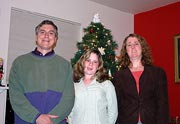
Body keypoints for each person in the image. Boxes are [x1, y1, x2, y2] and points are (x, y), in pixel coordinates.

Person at [9, 20, 75, 124]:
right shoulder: (19, 63)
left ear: (56, 39)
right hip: (25, 121)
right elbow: (16, 96)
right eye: (42, 32)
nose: (46, 36)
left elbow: (69, 98)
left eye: (51, 33)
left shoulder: (65, 65)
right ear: (36, 37)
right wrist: (37, 117)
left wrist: (51, 120)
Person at [112, 33, 169, 124]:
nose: (133, 47)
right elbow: (117, 104)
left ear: (142, 47)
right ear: (126, 50)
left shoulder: (158, 73)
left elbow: (162, 104)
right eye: (129, 45)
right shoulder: (119, 76)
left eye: (136, 43)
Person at [68, 49, 118, 124]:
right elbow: (71, 111)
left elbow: (113, 111)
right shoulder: (74, 85)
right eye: (88, 60)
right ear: (82, 62)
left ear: (98, 65)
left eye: (95, 62)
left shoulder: (106, 84)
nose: (91, 64)